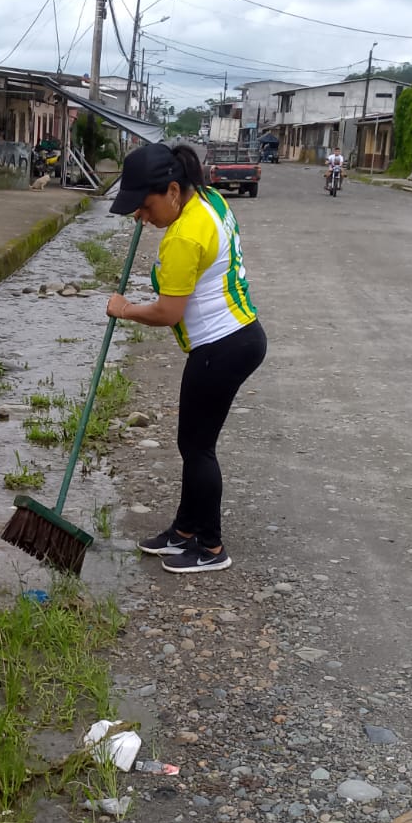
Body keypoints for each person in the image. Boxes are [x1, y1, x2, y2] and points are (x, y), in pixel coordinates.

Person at [105, 142, 266, 574]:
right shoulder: (208, 199)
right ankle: (184, 530)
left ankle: (211, 548)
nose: (141, 217)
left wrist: (125, 309)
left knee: (197, 448)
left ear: (173, 191)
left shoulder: (183, 236)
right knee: (191, 443)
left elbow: (167, 313)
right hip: (240, 335)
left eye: (145, 206)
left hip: (222, 346)